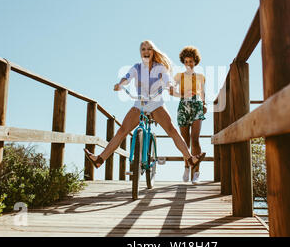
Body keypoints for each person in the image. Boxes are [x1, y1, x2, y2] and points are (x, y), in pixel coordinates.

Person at [84, 40, 206, 172]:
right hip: (140, 104)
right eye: (143, 49)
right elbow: (127, 77)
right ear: (140, 52)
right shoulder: (136, 68)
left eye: (149, 49)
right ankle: (99, 159)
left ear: (153, 52)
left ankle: (190, 159)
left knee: (171, 130)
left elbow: (168, 80)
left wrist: (170, 86)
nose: (146, 51)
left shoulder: (160, 67)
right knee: (122, 130)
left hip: (156, 104)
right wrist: (120, 84)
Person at [169, 46, 207, 184]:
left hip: (196, 106)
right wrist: (181, 94)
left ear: (195, 61)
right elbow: (171, 91)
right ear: (183, 62)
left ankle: (196, 172)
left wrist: (205, 104)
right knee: (185, 141)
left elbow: (203, 93)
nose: (189, 63)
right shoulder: (179, 76)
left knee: (195, 139)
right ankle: (186, 166)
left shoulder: (201, 77)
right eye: (186, 61)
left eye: (191, 61)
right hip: (183, 106)